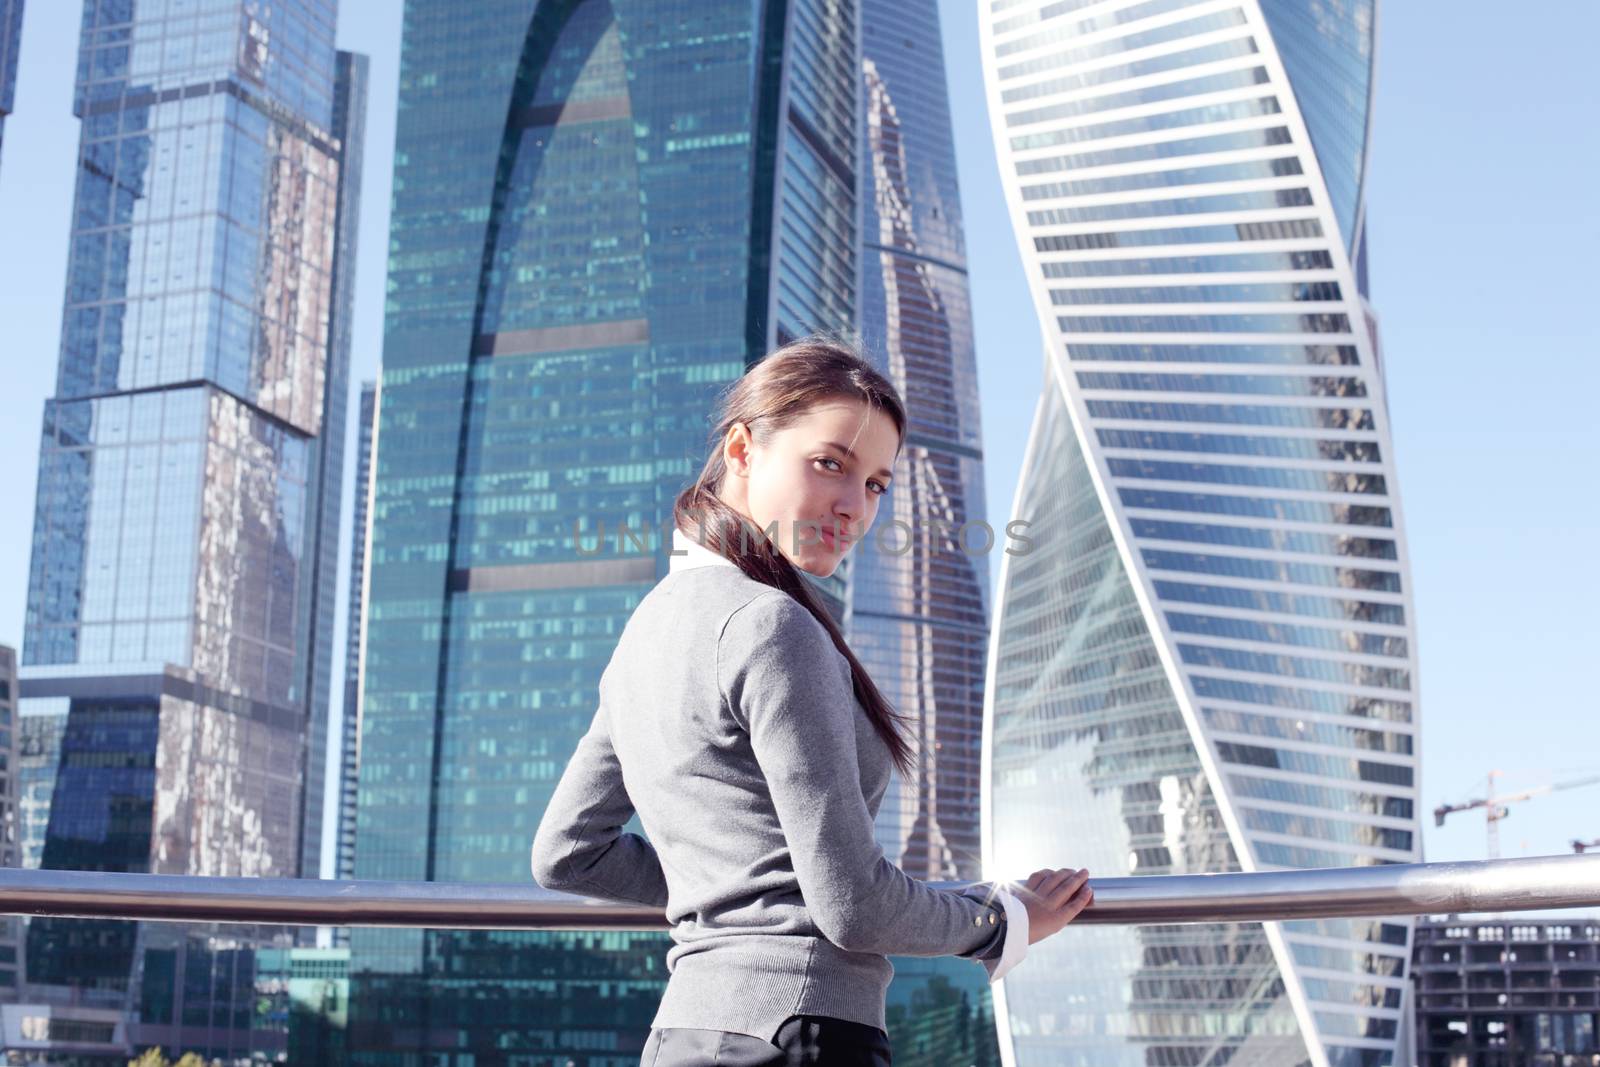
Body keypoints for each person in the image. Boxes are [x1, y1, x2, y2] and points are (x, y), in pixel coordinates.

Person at [530, 335, 1093, 1066]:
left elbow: (567, 854)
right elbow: (853, 904)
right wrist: (1005, 917)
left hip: (686, 1036)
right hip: (802, 1033)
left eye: (876, 485)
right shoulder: (771, 623)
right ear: (741, 449)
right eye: (830, 463)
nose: (853, 506)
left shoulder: (649, 628)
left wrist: (740, 885)